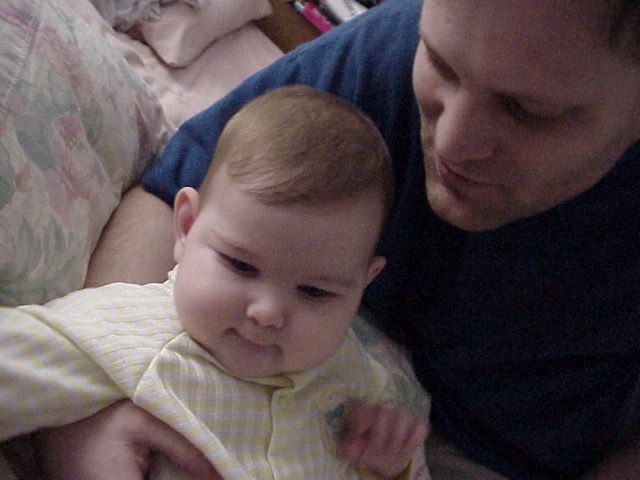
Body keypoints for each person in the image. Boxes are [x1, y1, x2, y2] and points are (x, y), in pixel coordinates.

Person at [38, 0, 640, 479]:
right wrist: (96, 399)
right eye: (442, 66)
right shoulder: (390, 45)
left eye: (528, 112)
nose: (453, 142)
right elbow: (174, 195)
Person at [0, 86, 431, 480]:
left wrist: (392, 465)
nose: (268, 312)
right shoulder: (126, 332)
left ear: (362, 285)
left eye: (315, 292)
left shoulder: (360, 382)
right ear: (186, 226)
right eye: (241, 265)